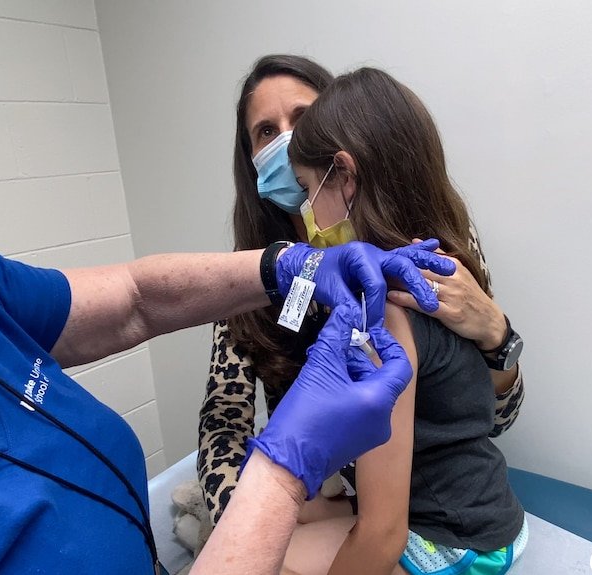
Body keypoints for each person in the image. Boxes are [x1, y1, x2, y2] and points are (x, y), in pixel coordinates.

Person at [0, 3, 457, 574]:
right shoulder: (251, 305)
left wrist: (496, 343)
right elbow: (224, 427)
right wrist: (279, 485)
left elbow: (137, 297)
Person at [197, 55, 526, 530]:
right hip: (312, 492)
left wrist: (498, 336)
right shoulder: (251, 277)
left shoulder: (425, 250)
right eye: (266, 131)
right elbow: (222, 424)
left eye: (303, 118)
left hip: (418, 512)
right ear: (249, 159)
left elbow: (492, 418)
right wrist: (255, 527)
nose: (287, 140)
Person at [279, 67, 526, 575]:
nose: (307, 212)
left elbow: (382, 535)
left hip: (457, 545)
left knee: (265, 557)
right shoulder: (440, 266)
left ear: (344, 176)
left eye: (307, 189)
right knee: (293, 516)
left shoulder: (387, 310)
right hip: (488, 513)